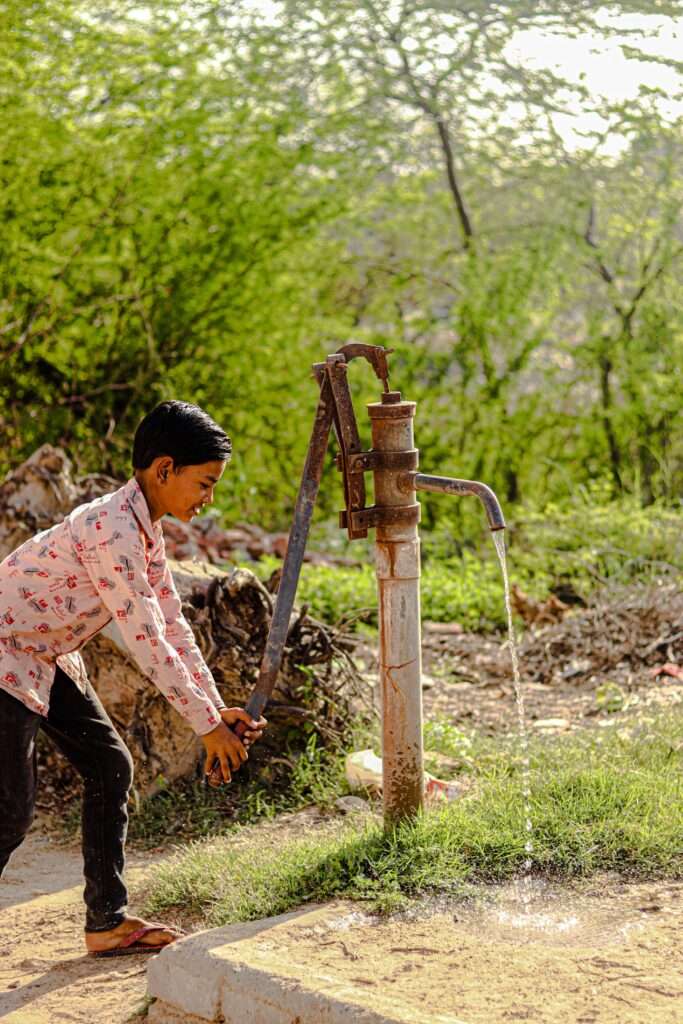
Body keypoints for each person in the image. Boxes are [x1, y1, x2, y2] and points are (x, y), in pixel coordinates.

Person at [0, 401, 266, 957]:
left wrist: (215, 712)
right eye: (205, 483)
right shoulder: (113, 530)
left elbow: (172, 625)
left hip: (44, 654)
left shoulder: (143, 527)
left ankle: (106, 922)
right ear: (164, 469)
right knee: (9, 811)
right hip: (5, 653)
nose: (208, 497)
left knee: (108, 764)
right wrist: (204, 726)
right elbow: (147, 642)